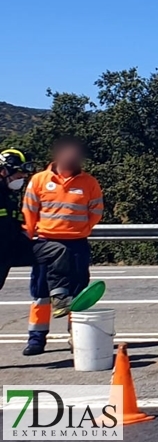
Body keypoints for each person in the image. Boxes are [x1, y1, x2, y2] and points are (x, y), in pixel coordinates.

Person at [20, 137, 103, 356]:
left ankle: (77, 338)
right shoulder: (39, 180)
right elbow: (29, 211)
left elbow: (96, 212)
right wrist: (29, 238)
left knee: (76, 295)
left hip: (76, 244)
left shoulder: (89, 182)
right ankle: (36, 339)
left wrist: (81, 230)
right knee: (41, 294)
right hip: (46, 242)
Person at [0, 149, 75, 321]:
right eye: (19, 175)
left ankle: (60, 299)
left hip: (13, 248)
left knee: (56, 251)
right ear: (4, 171)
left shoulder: (9, 195)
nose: (22, 179)